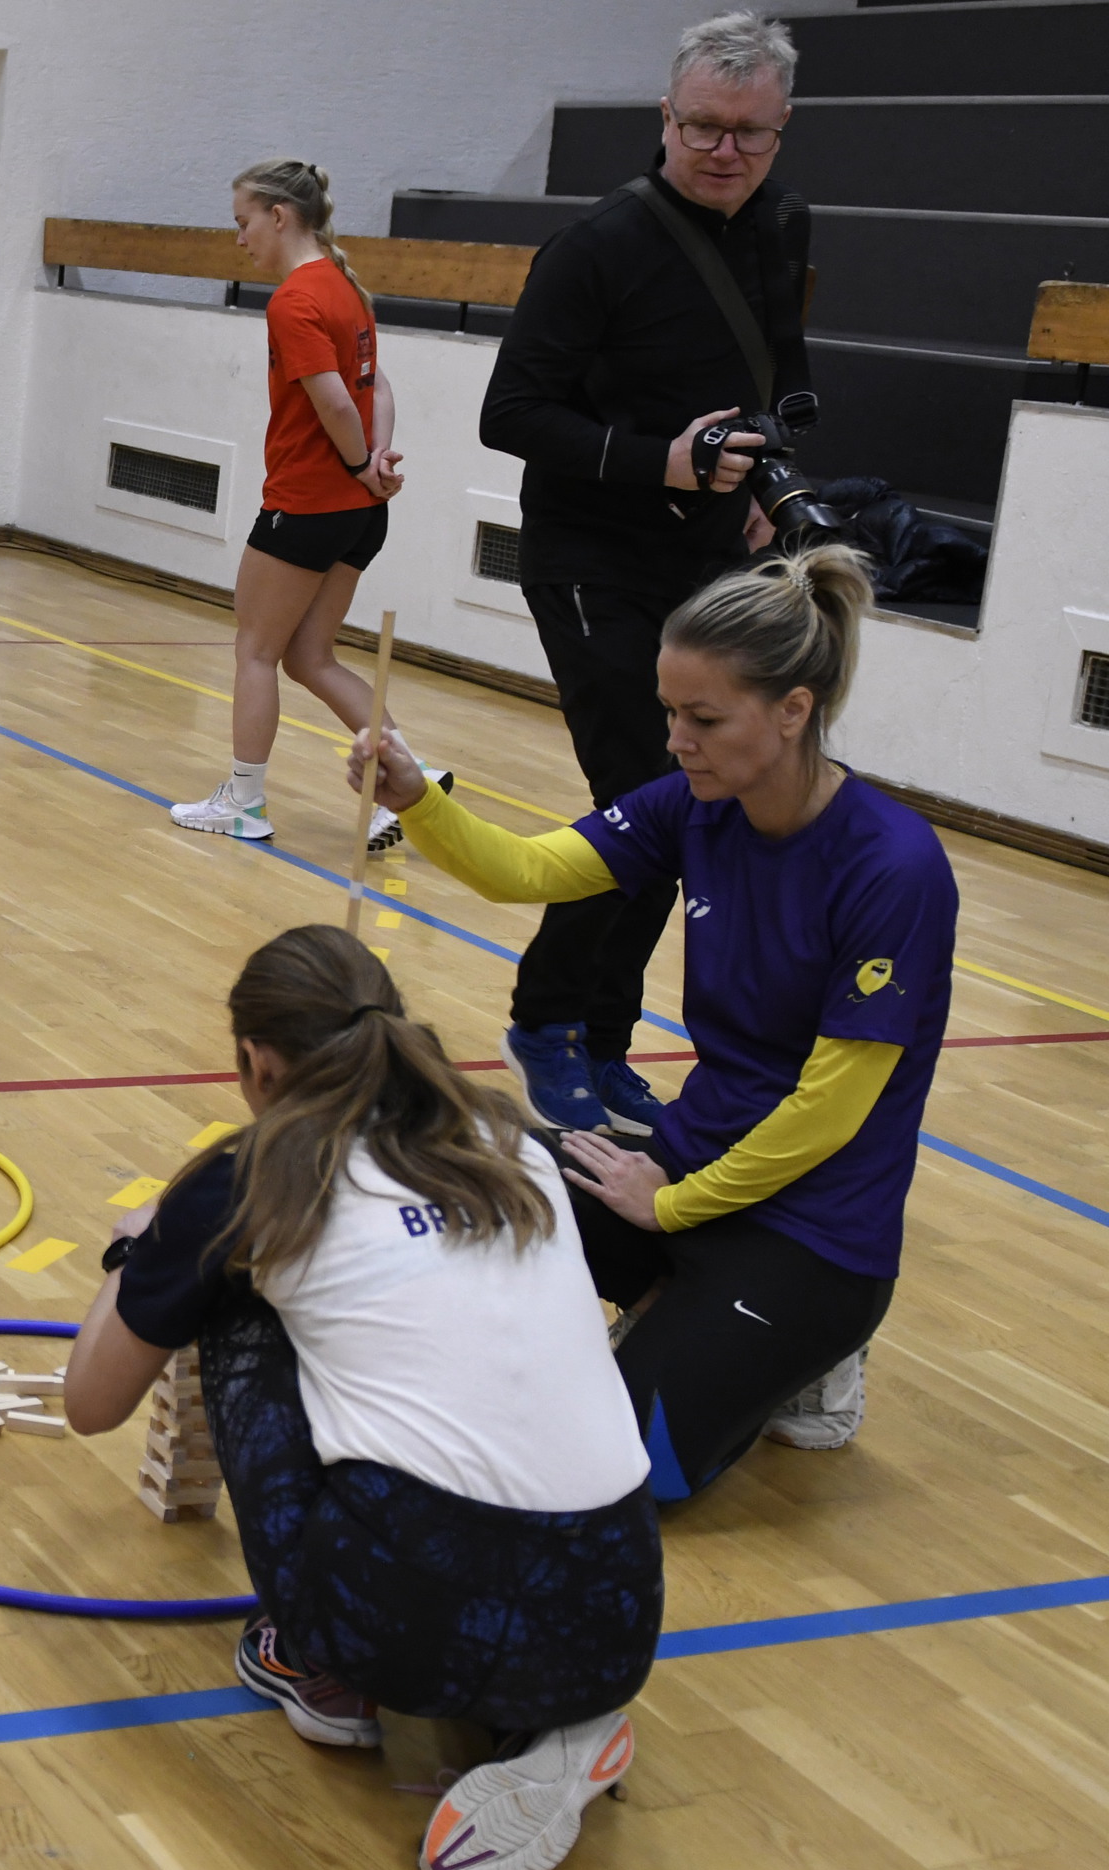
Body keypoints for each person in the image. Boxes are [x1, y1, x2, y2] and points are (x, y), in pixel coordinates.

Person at [65, 926, 658, 1870]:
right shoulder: (511, 1139)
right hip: (618, 1611)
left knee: (239, 1300)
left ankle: (321, 1668)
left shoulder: (256, 1176)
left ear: (257, 1063)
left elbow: (90, 1404)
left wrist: (148, 1245)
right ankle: (557, 1719)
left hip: (398, 1631)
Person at [353, 544, 949, 1482]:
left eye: (703, 719)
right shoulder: (693, 805)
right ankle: (683, 1310)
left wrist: (671, 1206)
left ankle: (801, 1357)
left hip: (812, 1230)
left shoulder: (893, 867)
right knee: (463, 1184)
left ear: (793, 711)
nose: (675, 740)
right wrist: (417, 800)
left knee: (628, 1470)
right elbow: (527, 870)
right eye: (670, 712)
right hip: (682, 1168)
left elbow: (830, 1112)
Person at [478, 10, 812, 1133]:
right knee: (644, 800)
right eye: (703, 126)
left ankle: (603, 1038)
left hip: (708, 557)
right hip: (589, 556)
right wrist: (657, 459)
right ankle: (549, 1025)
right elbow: (510, 413)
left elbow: (782, 375)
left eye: (750, 133)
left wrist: (766, 478)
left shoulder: (781, 223)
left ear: (782, 128)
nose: (725, 151)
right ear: (666, 117)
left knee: (693, 802)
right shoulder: (595, 246)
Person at [170, 159, 444, 852]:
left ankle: (243, 803)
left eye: (244, 223)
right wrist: (377, 462)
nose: (240, 239)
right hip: (359, 512)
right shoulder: (346, 287)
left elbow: (336, 403)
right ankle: (412, 776)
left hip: (308, 503)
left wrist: (357, 462)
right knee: (311, 657)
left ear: (279, 215)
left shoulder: (295, 301)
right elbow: (377, 389)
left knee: (256, 651)